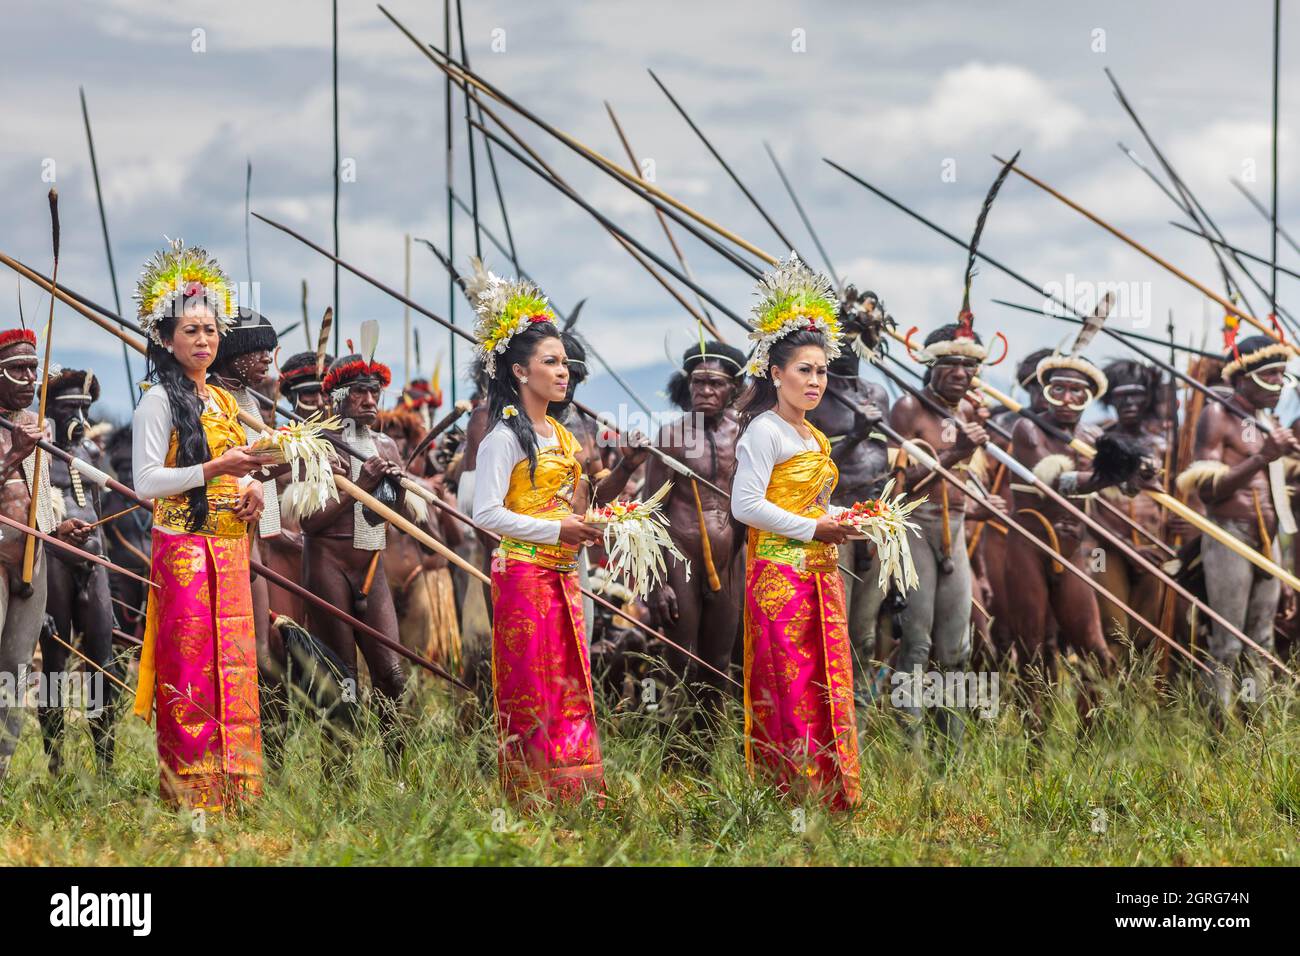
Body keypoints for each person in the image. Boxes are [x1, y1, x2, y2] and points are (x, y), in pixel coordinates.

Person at [130, 240, 272, 809]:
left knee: (235, 663)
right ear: (167, 339)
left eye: (211, 330)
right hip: (183, 551)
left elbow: (243, 470)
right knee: (190, 668)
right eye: (190, 331)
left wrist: (253, 489)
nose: (204, 340)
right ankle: (192, 792)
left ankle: (238, 786)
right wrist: (214, 469)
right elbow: (145, 483)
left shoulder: (223, 403)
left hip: (230, 550)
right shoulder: (156, 402)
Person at [466, 260, 608, 804]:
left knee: (572, 676)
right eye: (551, 362)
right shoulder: (504, 436)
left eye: (565, 361)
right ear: (521, 372)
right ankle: (530, 793)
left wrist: (589, 526)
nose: (564, 370)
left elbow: (570, 504)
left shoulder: (560, 434)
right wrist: (557, 529)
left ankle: (574, 788)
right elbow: (487, 515)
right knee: (532, 680)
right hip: (523, 573)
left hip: (562, 572)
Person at [730, 254, 860, 810]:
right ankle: (790, 796)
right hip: (780, 575)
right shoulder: (764, 431)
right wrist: (814, 527)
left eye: (821, 371)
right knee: (789, 682)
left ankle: (833, 791)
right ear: (775, 373)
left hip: (819, 575)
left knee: (828, 680)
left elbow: (813, 502)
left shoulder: (813, 436)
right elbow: (745, 505)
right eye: (803, 370)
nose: (814, 381)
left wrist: (847, 520)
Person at [298, 339, 427, 761]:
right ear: (338, 398)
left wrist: (403, 489)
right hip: (328, 563)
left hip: (372, 566)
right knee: (344, 679)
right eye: (359, 392)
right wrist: (362, 486)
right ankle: (342, 777)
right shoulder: (316, 443)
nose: (370, 401)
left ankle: (397, 770)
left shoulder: (387, 448)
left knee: (391, 675)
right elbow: (310, 522)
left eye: (375, 392)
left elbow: (395, 516)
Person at [889, 318, 1004, 749]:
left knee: (955, 649)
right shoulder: (908, 408)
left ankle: (950, 749)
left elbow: (962, 488)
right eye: (950, 364)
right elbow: (896, 486)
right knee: (916, 645)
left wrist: (981, 510)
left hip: (954, 531)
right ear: (930, 366)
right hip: (915, 526)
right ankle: (909, 750)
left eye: (968, 366)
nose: (960, 373)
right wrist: (955, 451)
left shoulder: (969, 412)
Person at [1176, 334, 1300, 719]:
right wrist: (1263, 456)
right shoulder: (1218, 415)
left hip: (1268, 541)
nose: (1279, 383)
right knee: (1228, 641)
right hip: (1228, 534)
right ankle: (1217, 731)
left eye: (1283, 374)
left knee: (1260, 640)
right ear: (1243, 377)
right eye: (1270, 374)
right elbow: (1209, 491)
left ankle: (1254, 727)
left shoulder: (1268, 421)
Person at [641, 340, 747, 744]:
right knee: (680, 660)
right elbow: (649, 510)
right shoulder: (671, 437)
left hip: (731, 561)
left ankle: (707, 755)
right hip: (679, 559)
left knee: (719, 663)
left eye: (714, 384)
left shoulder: (748, 435)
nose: (704, 392)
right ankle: (672, 751)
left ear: (733, 388)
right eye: (697, 383)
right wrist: (655, 582)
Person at [37, 369, 122, 772]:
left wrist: (103, 565)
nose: (81, 419)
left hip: (94, 562)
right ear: (51, 408)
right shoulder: (36, 450)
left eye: (85, 410)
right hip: (53, 558)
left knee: (102, 662)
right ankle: (55, 764)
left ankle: (105, 763)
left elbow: (99, 512)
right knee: (55, 663)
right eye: (71, 409)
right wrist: (56, 532)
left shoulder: (89, 452)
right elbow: (34, 517)